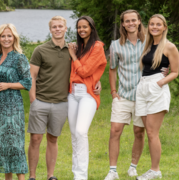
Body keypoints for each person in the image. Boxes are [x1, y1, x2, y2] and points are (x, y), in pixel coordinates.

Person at [27, 16, 102, 180]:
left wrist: (97, 82)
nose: (57, 29)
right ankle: (32, 176)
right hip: (41, 100)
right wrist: (33, 99)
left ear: (66, 28)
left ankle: (51, 175)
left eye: (61, 26)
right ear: (50, 29)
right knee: (36, 138)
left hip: (62, 102)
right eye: (54, 27)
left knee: (53, 138)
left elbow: (85, 70)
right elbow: (31, 76)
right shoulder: (40, 50)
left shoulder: (73, 49)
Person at [104, 9, 147, 180]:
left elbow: (161, 61)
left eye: (133, 20)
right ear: (123, 24)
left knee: (139, 132)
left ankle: (133, 167)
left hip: (143, 96)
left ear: (138, 22)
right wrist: (113, 92)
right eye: (127, 21)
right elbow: (112, 69)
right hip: (123, 95)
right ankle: (113, 171)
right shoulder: (115, 45)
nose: (130, 23)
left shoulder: (149, 43)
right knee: (115, 131)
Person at [135, 14, 179, 180]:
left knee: (153, 132)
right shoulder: (148, 45)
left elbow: (175, 72)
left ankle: (155, 171)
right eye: (152, 24)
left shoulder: (169, 47)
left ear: (164, 27)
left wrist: (159, 83)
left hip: (156, 88)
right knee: (148, 132)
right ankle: (154, 170)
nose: (154, 27)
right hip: (143, 86)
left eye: (158, 24)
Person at [0, 23, 32, 180]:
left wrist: (7, 85)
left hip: (13, 109)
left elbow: (27, 83)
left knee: (14, 145)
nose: (6, 39)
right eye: (3, 36)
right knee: (2, 146)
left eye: (9, 36)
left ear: (14, 38)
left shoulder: (19, 58)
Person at [67, 16, 107, 180]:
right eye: (79, 27)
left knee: (81, 131)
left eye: (85, 27)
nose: (81, 30)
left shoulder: (97, 47)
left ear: (92, 27)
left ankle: (81, 176)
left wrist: (73, 57)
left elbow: (85, 71)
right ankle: (77, 173)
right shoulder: (79, 47)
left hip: (88, 94)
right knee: (74, 134)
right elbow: (73, 73)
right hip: (72, 93)